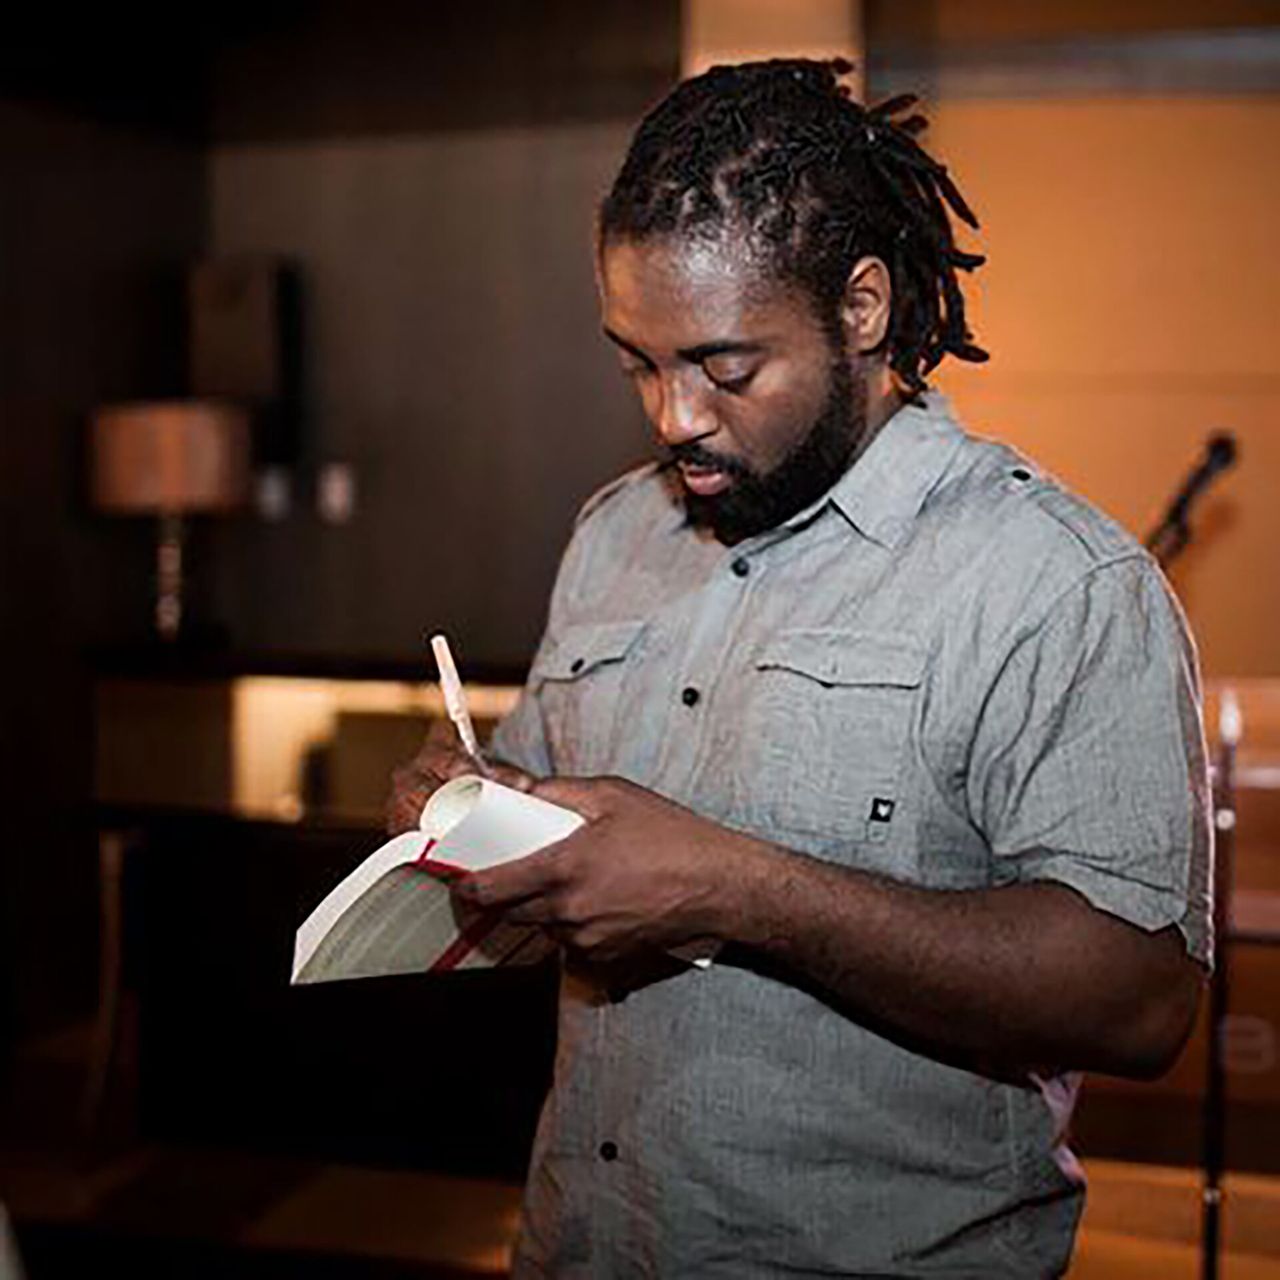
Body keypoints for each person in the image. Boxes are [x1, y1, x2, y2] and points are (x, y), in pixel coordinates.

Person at [389, 58, 1211, 1279]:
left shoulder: (1056, 583)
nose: (672, 417)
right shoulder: (612, 531)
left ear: (862, 308)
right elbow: (547, 798)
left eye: (723, 369)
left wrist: (738, 887)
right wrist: (466, 806)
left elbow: (1139, 1002)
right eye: (636, 361)